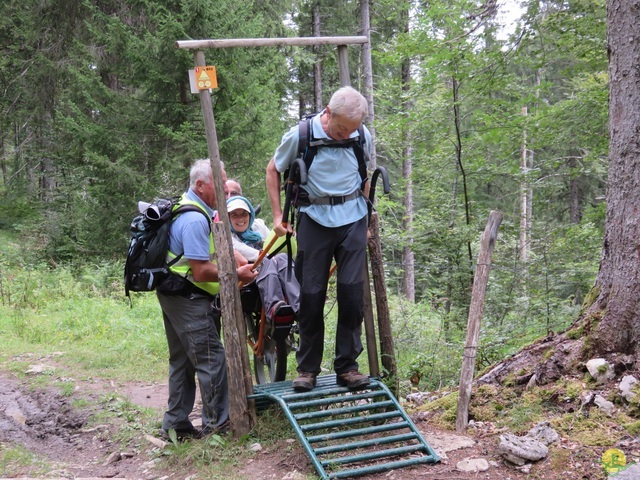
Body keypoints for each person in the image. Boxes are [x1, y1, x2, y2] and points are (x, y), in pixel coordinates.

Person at [266, 86, 373, 392]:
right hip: (314, 217)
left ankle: (348, 367)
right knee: (311, 295)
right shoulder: (300, 135)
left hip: (352, 217)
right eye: (341, 128)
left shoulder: (361, 134)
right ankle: (307, 368)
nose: (346, 134)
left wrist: (365, 219)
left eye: (352, 129)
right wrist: (277, 217)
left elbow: (363, 174)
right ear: (327, 113)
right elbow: (273, 169)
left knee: (352, 295)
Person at [156, 159, 258, 439]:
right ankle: (217, 428)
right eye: (219, 182)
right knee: (212, 360)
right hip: (188, 298)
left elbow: (216, 249)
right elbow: (201, 271)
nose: (226, 188)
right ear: (200, 185)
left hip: (176, 295)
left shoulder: (202, 210)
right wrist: (235, 273)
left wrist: (239, 262)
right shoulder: (193, 218)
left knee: (183, 360)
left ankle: (176, 424)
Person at [227, 195, 299, 326]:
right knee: (268, 260)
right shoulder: (226, 236)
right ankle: (274, 306)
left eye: (244, 214)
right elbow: (242, 249)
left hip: (269, 267)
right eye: (234, 215)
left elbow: (272, 242)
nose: (240, 219)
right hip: (247, 275)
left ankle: (299, 304)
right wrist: (265, 256)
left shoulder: (258, 226)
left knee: (282, 257)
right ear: (228, 218)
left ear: (250, 215)